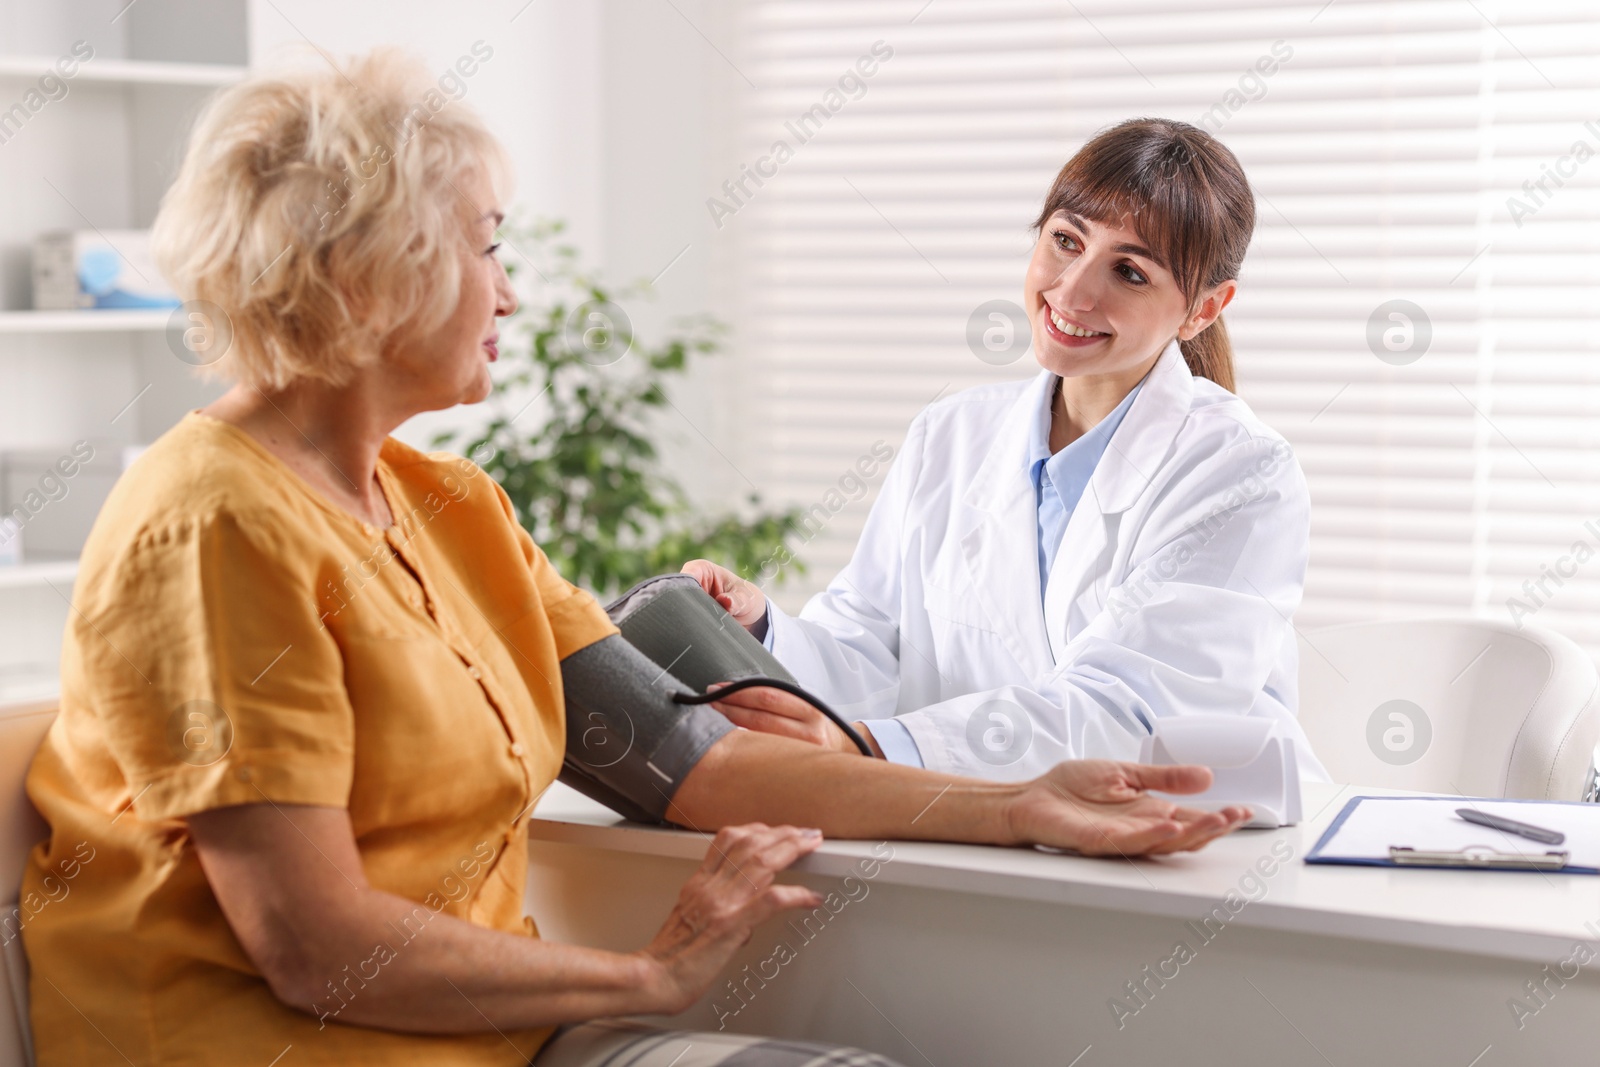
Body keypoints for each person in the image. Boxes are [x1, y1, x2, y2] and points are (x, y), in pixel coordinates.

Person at [18, 56, 1250, 1067]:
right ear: (372, 274)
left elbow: (686, 759)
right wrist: (650, 971)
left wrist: (1017, 806)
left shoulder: (449, 505)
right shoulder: (211, 522)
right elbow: (313, 946)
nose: (512, 293)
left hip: (487, 1040)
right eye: (488, 249)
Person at [686, 118, 1328, 782]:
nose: (1073, 292)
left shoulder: (1243, 471)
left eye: (1130, 272)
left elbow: (1133, 713)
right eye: (1065, 240)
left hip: (1202, 848)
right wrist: (760, 626)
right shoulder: (950, 434)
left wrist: (871, 748)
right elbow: (867, 645)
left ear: (1203, 308)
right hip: (991, 830)